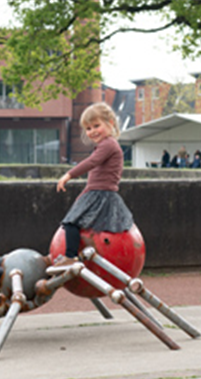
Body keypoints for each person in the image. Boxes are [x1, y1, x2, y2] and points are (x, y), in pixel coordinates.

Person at [52, 102, 133, 267]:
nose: (92, 131)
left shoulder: (109, 144)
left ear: (110, 123)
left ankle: (71, 257)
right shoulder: (105, 145)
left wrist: (69, 175)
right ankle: (71, 256)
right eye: (88, 128)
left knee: (71, 222)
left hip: (100, 195)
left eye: (96, 126)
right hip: (96, 192)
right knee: (73, 222)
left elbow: (92, 162)